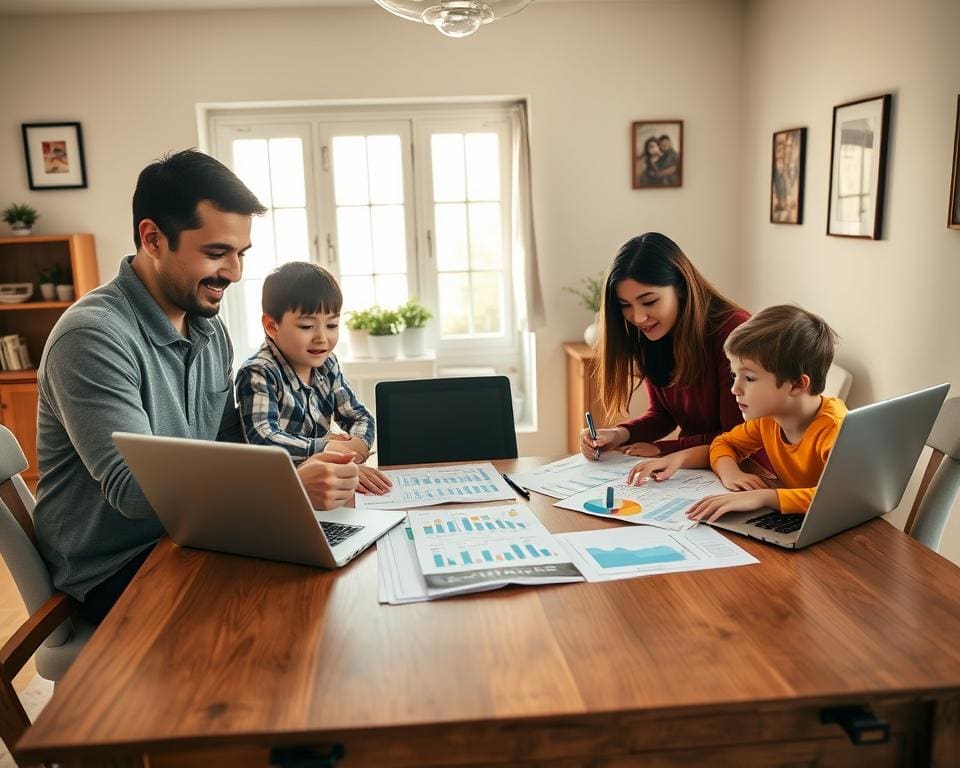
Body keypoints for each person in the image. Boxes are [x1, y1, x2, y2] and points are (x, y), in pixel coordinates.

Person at [34, 149, 360, 625]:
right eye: (215, 253)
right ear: (153, 238)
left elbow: (229, 446)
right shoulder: (91, 336)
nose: (234, 272)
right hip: (119, 566)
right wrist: (289, 487)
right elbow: (132, 491)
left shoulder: (208, 329)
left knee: (336, 583)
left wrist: (309, 467)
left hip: (194, 536)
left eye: (240, 254)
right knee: (282, 616)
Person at [627, 305, 846, 522]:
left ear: (797, 384)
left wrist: (763, 497)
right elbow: (723, 444)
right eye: (734, 374)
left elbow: (838, 499)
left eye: (749, 378)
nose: (734, 389)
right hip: (799, 521)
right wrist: (731, 472)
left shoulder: (835, 429)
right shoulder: (768, 420)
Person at [581, 232, 750, 461]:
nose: (638, 317)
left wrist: (667, 449)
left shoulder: (733, 332)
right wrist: (620, 434)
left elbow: (739, 437)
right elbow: (663, 415)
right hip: (696, 468)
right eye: (625, 305)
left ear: (680, 287)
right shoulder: (652, 333)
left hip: (743, 468)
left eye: (649, 302)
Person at [236, 262, 392, 495]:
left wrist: (352, 451)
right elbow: (265, 439)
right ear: (271, 326)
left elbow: (359, 417)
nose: (322, 338)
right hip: (278, 492)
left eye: (332, 325)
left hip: (324, 486)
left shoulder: (327, 364)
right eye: (307, 326)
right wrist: (328, 446)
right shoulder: (259, 372)